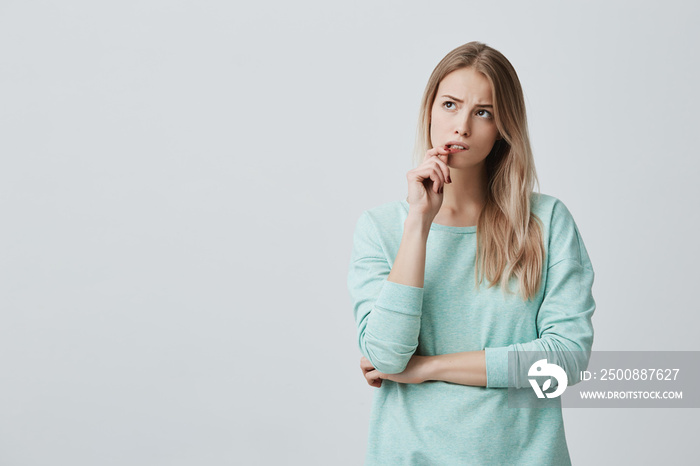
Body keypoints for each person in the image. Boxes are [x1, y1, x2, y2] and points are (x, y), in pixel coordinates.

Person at [347, 41, 595, 465]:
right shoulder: (382, 228)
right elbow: (387, 356)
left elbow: (565, 360)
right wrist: (418, 225)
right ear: (429, 110)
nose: (461, 126)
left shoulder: (546, 222)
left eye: (483, 112)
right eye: (449, 105)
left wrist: (427, 368)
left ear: (503, 128)